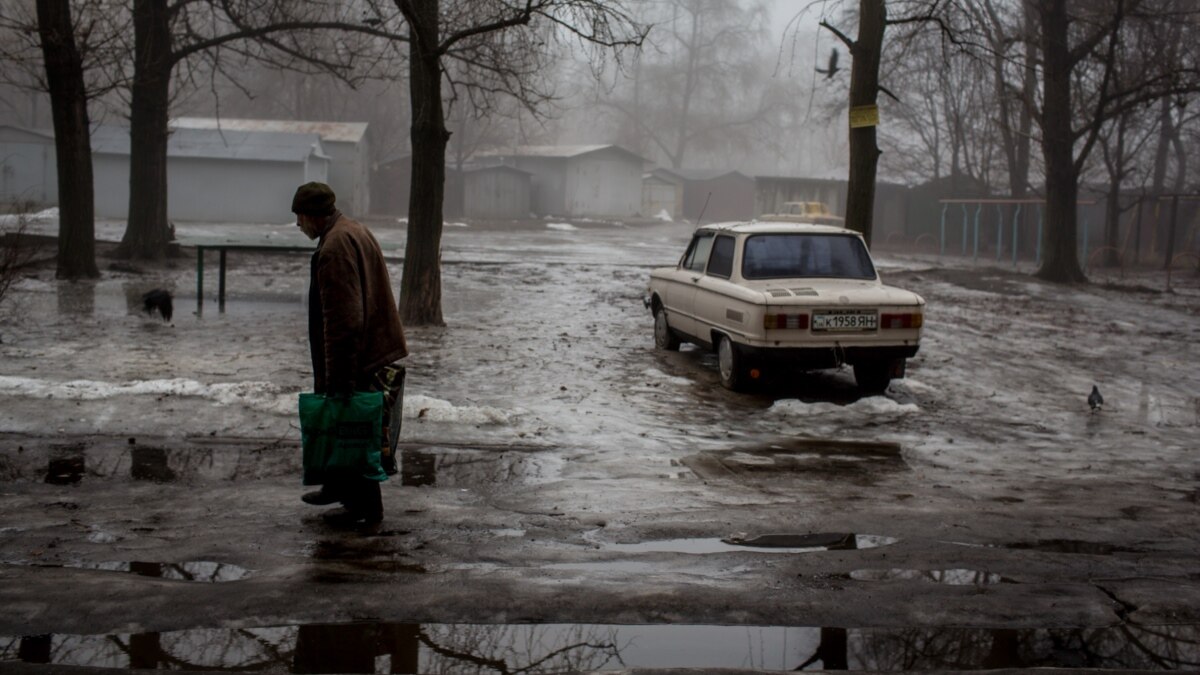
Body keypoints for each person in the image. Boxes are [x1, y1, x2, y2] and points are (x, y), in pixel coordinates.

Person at [293, 182, 408, 528]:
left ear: (313, 216)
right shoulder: (353, 229)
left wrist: (338, 378)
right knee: (355, 429)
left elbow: (344, 320)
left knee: (356, 430)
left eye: (299, 218)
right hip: (374, 345)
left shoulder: (334, 249)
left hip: (360, 353)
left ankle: (365, 509)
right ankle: (342, 491)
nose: (298, 226)